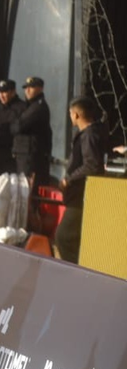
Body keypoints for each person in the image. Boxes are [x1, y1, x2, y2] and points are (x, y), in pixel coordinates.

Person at [56, 96, 108, 263]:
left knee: (63, 237)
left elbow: (91, 165)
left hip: (81, 196)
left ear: (76, 115)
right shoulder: (90, 133)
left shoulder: (89, 135)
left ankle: (75, 270)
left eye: (71, 113)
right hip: (80, 195)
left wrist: (69, 179)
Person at [11, 75, 52, 185]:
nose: (27, 90)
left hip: (30, 157)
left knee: (27, 188)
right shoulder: (30, 106)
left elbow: (17, 127)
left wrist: (15, 123)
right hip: (26, 155)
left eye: (31, 87)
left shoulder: (37, 107)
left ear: (40, 88)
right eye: (26, 88)